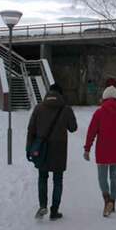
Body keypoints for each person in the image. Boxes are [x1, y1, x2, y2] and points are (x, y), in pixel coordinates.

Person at [27, 83, 77, 220]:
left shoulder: (39, 108)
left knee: (42, 177)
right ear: (60, 94)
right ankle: (54, 211)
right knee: (58, 180)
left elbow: (31, 130)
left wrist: (29, 148)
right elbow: (73, 128)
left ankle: (43, 205)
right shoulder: (65, 109)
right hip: (59, 150)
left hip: (42, 149)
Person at [84, 84, 116, 217]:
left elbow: (91, 132)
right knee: (114, 177)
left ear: (104, 97)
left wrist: (87, 149)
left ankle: (107, 200)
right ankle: (113, 201)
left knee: (102, 177)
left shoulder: (99, 112)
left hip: (102, 150)